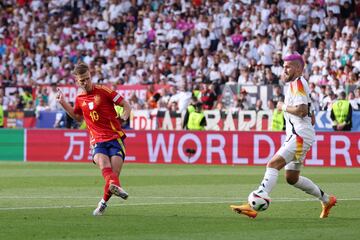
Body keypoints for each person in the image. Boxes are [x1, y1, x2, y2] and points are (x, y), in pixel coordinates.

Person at [230, 53, 337, 218]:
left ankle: (255, 204)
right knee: (292, 178)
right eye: (284, 66)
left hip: (299, 135)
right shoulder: (299, 85)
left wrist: (283, 106)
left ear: (299, 68)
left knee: (273, 164)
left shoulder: (298, 83)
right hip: (302, 135)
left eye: (288, 66)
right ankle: (327, 199)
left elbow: (301, 111)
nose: (284, 70)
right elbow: (312, 116)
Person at [56, 62, 132, 216]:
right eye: (82, 80)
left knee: (114, 175)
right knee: (104, 165)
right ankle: (114, 190)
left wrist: (124, 115)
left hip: (115, 137)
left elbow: (125, 104)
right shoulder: (80, 98)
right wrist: (63, 103)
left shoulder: (104, 91)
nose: (85, 82)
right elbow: (78, 117)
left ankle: (103, 203)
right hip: (97, 140)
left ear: (91, 76)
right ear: (77, 81)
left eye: (87, 78)